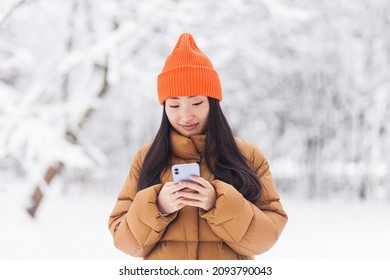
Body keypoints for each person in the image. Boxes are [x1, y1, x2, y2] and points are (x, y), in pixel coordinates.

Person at [108, 33, 288, 260]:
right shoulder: (146, 157)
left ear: (213, 101)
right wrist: (158, 206)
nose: (185, 116)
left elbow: (266, 238)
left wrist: (219, 203)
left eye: (196, 102)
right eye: (174, 105)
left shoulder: (248, 156)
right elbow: (123, 241)